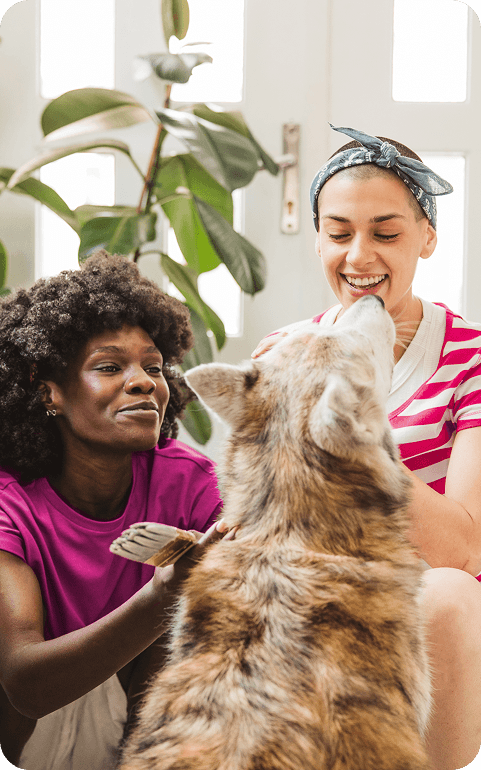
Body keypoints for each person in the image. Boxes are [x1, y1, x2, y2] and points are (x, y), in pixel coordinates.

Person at [252, 124, 481, 770]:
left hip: (435, 616)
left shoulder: (470, 360)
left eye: (385, 233)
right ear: (317, 236)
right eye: (338, 231)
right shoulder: (283, 353)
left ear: (426, 237)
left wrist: (350, 439)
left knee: (446, 595)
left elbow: (462, 548)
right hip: (318, 609)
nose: (358, 256)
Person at [0, 251, 224, 770]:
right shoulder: (12, 502)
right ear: (48, 389)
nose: (145, 381)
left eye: (153, 366)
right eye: (109, 367)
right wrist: (163, 593)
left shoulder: (188, 481)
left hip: (151, 737)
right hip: (29, 739)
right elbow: (23, 683)